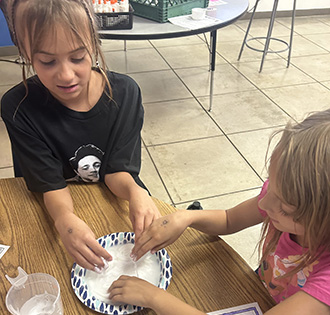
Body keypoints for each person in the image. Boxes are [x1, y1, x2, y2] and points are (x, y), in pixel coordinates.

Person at [108, 110, 330, 314]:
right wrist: (186, 217)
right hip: (262, 292)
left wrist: (153, 297)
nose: (264, 204)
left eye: (284, 207)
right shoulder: (278, 200)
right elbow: (229, 219)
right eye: (270, 184)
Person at [1, 0, 160, 272]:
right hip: (54, 205)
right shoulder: (18, 107)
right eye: (48, 61)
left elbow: (117, 171)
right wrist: (64, 219)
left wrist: (135, 190)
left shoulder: (124, 94)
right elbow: (50, 184)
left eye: (78, 57)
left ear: (95, 45)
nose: (66, 75)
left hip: (111, 200)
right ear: (26, 53)